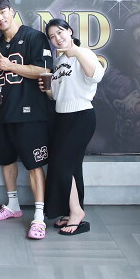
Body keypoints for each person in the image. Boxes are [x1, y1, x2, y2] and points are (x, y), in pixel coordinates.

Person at [0, 0, 52, 240]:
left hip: (30, 113)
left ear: (11, 11)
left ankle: (39, 216)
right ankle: (12, 205)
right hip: (3, 114)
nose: (0, 18)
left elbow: (44, 70)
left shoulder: (34, 37)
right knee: (6, 161)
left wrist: (11, 66)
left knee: (34, 165)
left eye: (2, 12)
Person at [40, 18, 105, 235]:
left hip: (81, 116)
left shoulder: (84, 53)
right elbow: (56, 95)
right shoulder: (59, 62)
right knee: (72, 167)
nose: (57, 38)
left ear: (69, 31)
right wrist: (46, 88)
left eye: (60, 33)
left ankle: (77, 212)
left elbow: (96, 75)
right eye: (52, 36)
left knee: (61, 165)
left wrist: (75, 51)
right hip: (62, 117)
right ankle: (72, 211)